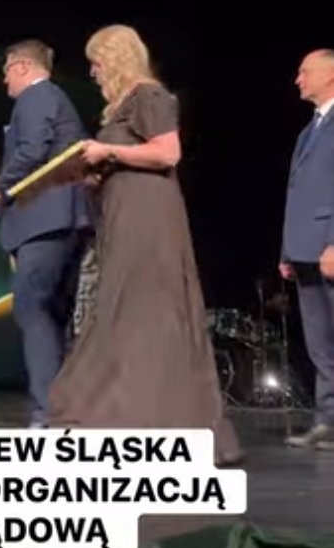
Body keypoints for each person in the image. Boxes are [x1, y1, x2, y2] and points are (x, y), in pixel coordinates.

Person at [47, 25, 242, 465]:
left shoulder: (149, 97)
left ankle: (153, 421)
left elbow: (167, 153)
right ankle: (127, 419)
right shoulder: (120, 108)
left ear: (116, 57)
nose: (93, 72)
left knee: (146, 310)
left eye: (97, 62)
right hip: (123, 219)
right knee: (126, 309)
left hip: (149, 221)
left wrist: (108, 153)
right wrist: (94, 173)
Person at [0, 39, 88, 428]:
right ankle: (61, 412)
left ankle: (48, 414)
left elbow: (32, 152)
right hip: (63, 221)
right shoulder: (54, 98)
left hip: (46, 222)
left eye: (6, 70)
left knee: (32, 307)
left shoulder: (37, 96)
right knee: (54, 315)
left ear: (22, 66)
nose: (4, 80)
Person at [279, 49, 334, 449]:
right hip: (304, 249)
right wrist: (286, 251)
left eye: (305, 72)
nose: (298, 79)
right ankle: (326, 421)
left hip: (329, 247)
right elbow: (298, 194)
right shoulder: (307, 131)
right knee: (319, 343)